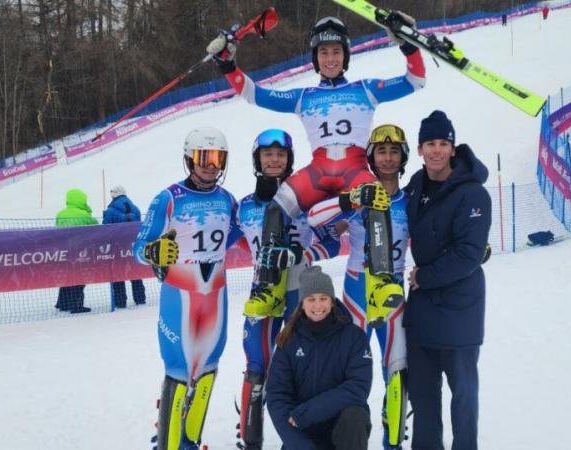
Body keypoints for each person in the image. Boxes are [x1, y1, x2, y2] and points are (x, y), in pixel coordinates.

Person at [206, 14, 426, 327]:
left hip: (354, 169)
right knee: (276, 208)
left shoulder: (366, 89)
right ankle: (270, 289)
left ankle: (379, 282)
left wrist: (408, 46)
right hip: (318, 171)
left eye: (336, 51)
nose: (331, 58)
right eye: (324, 53)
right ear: (315, 58)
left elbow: (415, 80)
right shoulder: (304, 97)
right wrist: (228, 65)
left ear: (346, 55)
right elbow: (254, 94)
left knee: (378, 200)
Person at [133, 127, 243, 450]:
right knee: (178, 372)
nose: (210, 165)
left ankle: (190, 441)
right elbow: (139, 245)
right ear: (188, 159)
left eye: (217, 158)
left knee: (208, 371)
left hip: (215, 300)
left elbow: (239, 235)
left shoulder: (227, 200)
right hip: (179, 297)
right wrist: (152, 252)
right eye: (203, 157)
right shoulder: (168, 199)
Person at [235, 129, 341, 450]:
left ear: (289, 160)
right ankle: (250, 440)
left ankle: (299, 438)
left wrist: (301, 255)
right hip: (264, 294)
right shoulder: (244, 207)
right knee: (257, 366)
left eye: (281, 154)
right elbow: (231, 243)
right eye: (268, 154)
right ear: (258, 159)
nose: (274, 159)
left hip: (301, 294)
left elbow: (333, 243)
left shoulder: (308, 202)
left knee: (301, 366)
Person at [307, 124, 411, 449]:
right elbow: (313, 217)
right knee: (348, 375)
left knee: (398, 374)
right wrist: (351, 198)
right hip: (356, 293)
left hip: (392, 294)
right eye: (382, 151)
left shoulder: (410, 202)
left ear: (403, 156)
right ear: (371, 157)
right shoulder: (360, 195)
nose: (389, 158)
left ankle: (392, 442)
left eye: (395, 151)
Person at [403, 111, 492, 450]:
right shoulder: (415, 186)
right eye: (430, 144)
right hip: (423, 312)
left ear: (453, 148)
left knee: (463, 397)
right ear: (420, 148)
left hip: (459, 310)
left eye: (444, 143)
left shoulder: (473, 194)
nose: (437, 150)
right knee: (424, 399)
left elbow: (468, 254)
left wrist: (425, 277)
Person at [266, 266, 373, 450]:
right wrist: (301, 445)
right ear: (302, 303)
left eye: (323, 298)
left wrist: (308, 413)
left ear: (332, 301)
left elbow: (358, 388)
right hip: (302, 431)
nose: (317, 306)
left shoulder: (354, 336)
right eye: (311, 299)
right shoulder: (288, 338)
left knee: (355, 414)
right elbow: (277, 395)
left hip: (341, 429)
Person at [55, 188, 98, 314]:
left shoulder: (60, 214)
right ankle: (76, 304)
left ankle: (62, 303)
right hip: (81, 251)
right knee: (79, 278)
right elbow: (97, 228)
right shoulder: (84, 215)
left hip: (64, 251)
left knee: (67, 276)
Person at [103, 185, 146, 308]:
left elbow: (105, 228)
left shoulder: (110, 211)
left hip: (116, 246)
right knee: (135, 272)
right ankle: (140, 299)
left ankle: (120, 301)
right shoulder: (135, 209)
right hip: (132, 245)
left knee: (117, 273)